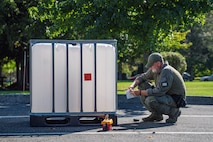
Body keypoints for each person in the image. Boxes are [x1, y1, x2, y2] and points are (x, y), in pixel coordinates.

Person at [128, 52, 186, 123]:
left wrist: (140, 92)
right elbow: (142, 77)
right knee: (142, 84)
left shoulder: (166, 71)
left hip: (176, 98)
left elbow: (159, 91)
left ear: (158, 63)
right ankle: (156, 115)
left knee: (150, 100)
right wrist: (132, 86)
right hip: (166, 95)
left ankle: (174, 112)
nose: (150, 68)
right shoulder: (156, 69)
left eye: (151, 65)